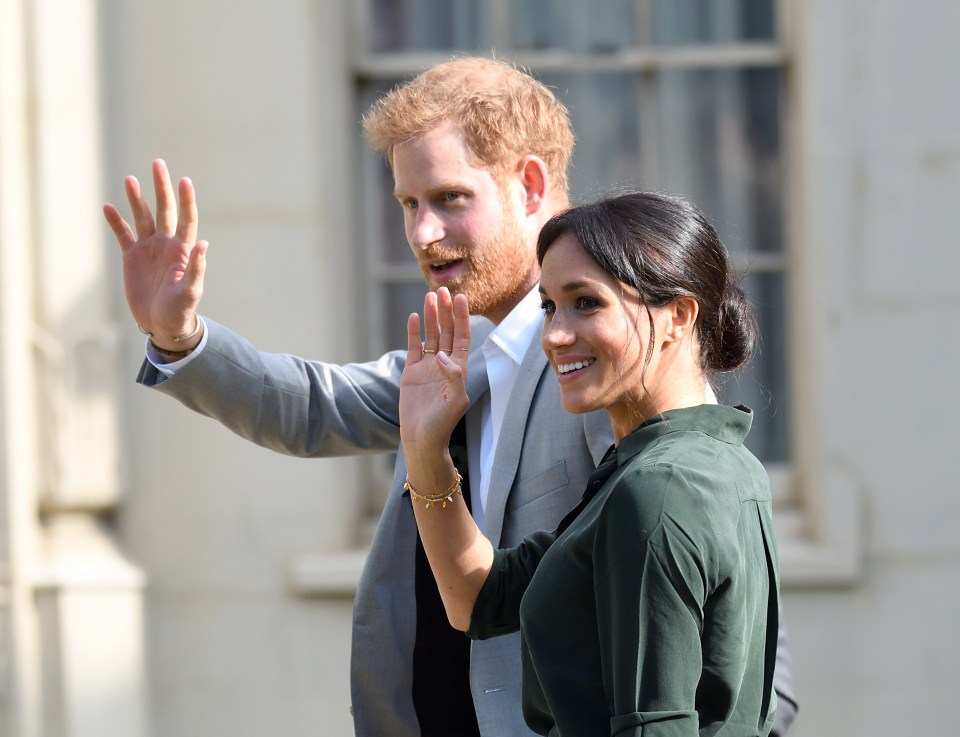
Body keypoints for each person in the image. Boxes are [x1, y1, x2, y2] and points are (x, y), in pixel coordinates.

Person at [102, 57, 796, 736]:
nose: (421, 234)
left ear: (529, 185)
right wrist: (179, 334)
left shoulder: (607, 369)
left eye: (448, 198)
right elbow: (315, 408)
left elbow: (739, 639)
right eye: (408, 204)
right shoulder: (453, 362)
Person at [399, 190, 782, 736]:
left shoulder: (661, 486)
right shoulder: (707, 464)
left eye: (587, 302)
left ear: (677, 314)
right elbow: (479, 598)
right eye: (549, 306)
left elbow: (655, 725)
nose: (554, 336)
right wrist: (424, 447)